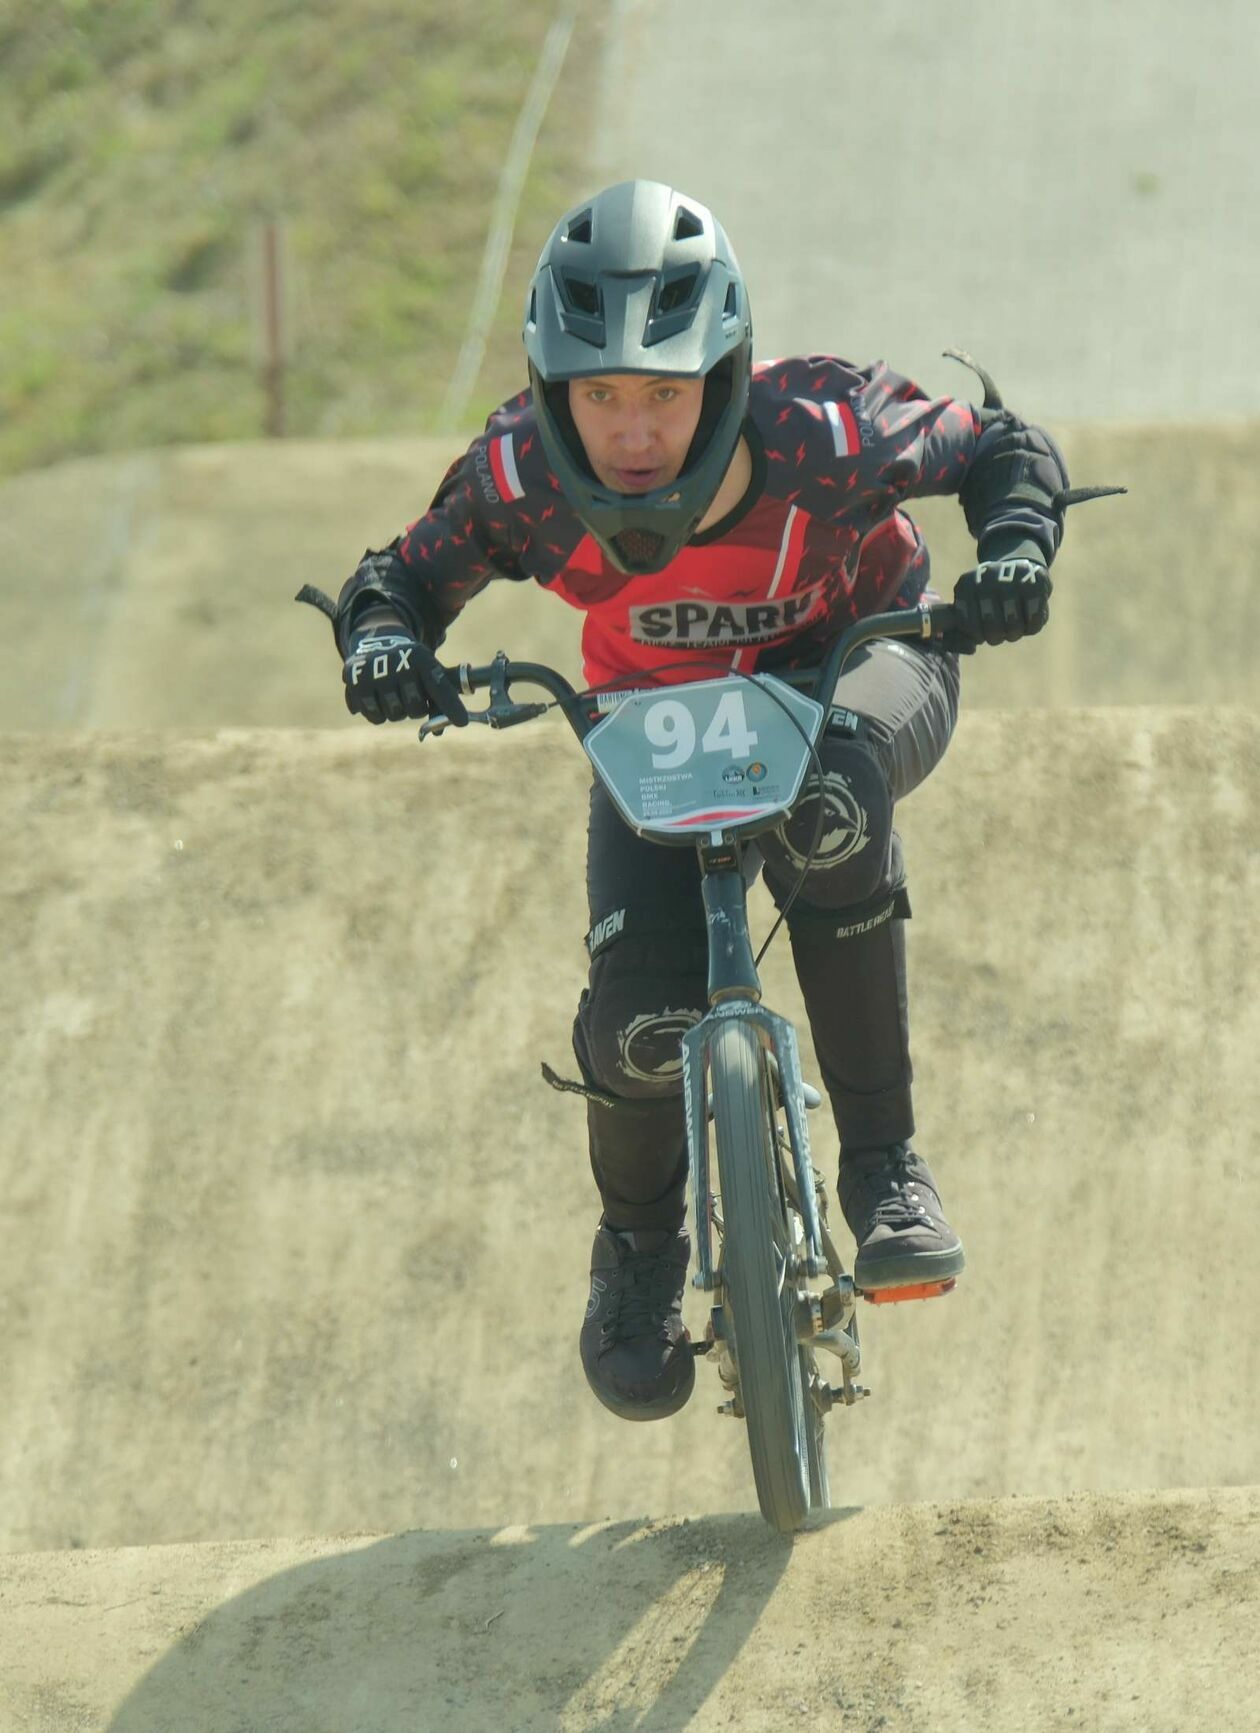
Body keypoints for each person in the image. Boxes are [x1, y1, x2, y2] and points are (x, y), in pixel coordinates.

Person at [319, 179, 1071, 1425]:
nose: (631, 432)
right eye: (599, 394)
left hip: (857, 659)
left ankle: (883, 1165)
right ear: (553, 391)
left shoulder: (826, 427)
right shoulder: (517, 475)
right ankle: (635, 1253)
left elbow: (999, 445)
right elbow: (398, 578)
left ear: (725, 376)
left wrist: (1015, 551)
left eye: (663, 393)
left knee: (828, 800)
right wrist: (383, 649)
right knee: (630, 1030)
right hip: (652, 724)